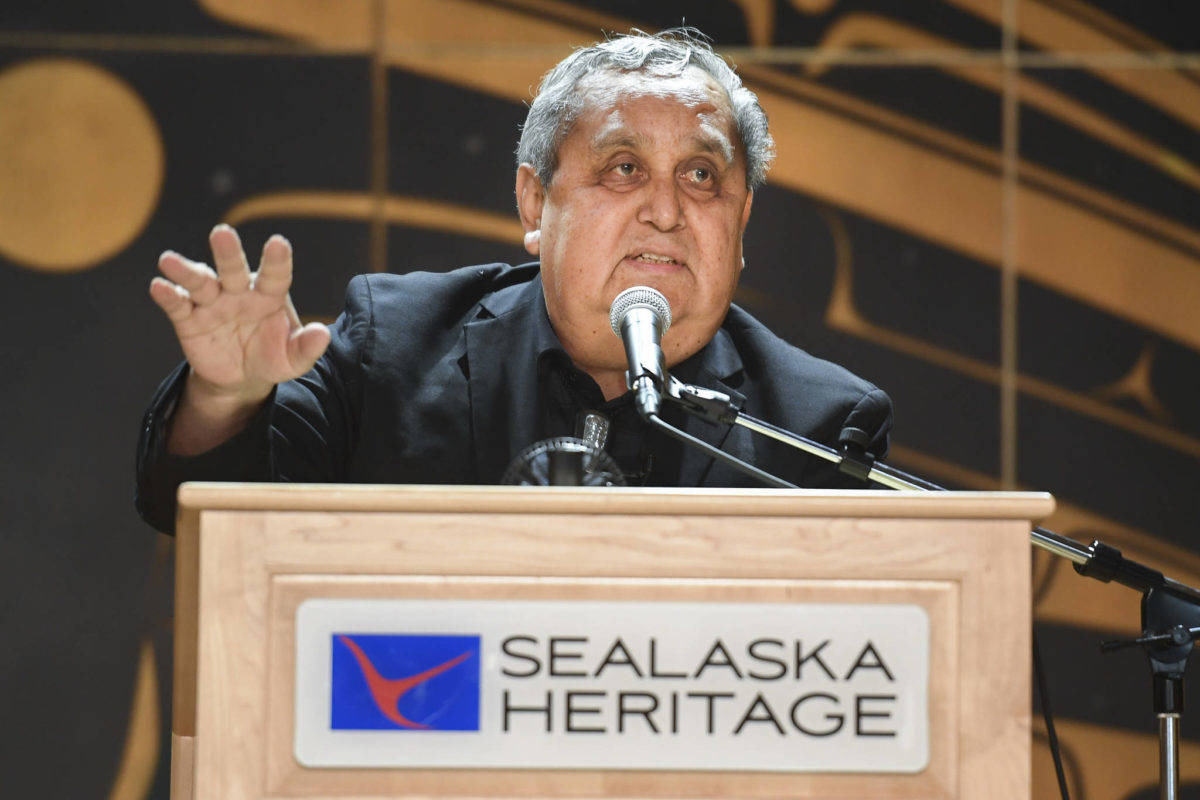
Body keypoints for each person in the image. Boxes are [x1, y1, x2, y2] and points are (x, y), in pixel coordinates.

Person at [136, 28, 892, 535]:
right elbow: (197, 517)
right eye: (623, 169)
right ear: (536, 202)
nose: (665, 211)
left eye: (701, 176)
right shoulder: (394, 345)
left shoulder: (816, 424)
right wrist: (228, 400)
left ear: (742, 217)